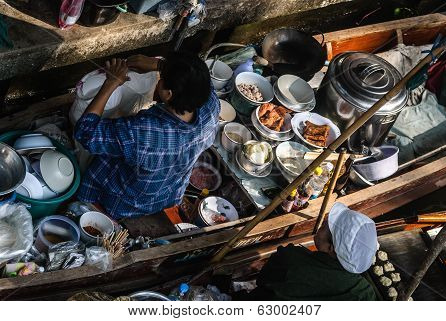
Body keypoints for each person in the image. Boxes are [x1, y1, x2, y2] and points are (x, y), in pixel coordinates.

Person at [74, 52, 219, 219]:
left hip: (123, 202)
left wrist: (111, 82)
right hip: (166, 196)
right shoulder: (211, 106)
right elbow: (198, 81)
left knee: (101, 155)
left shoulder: (145, 132)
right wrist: (158, 65)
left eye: (162, 78)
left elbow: (85, 132)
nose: (159, 79)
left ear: (168, 94)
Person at [242, 202, 379, 300]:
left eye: (327, 226)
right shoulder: (366, 293)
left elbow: (262, 280)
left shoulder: (290, 259)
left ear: (330, 248)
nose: (324, 221)